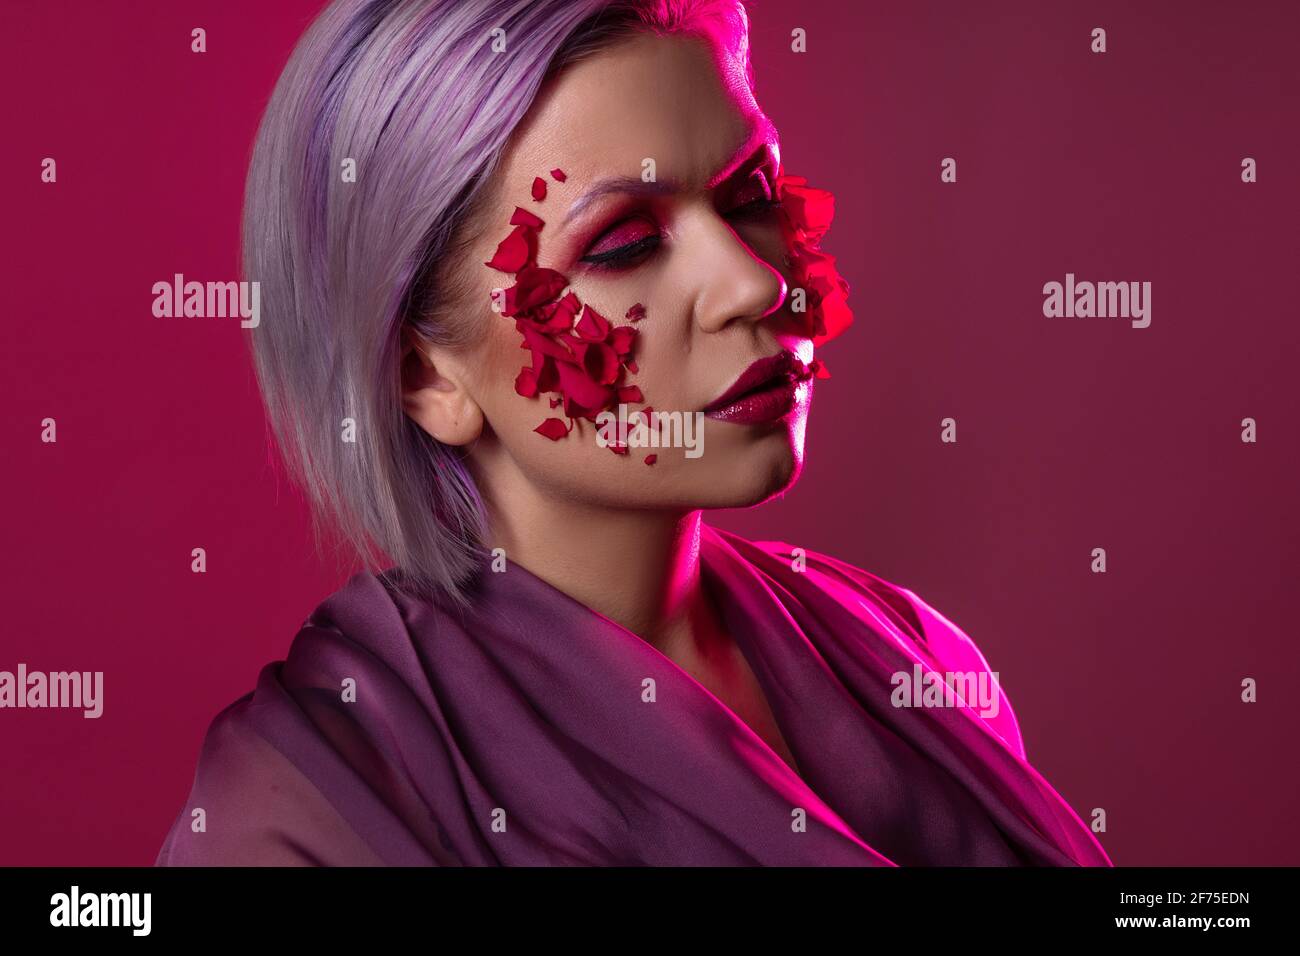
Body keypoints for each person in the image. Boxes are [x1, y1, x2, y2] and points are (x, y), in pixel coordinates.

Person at [156, 0, 1111, 866]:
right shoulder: (324, 793)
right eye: (622, 244)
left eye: (748, 198)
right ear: (426, 372)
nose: (754, 283)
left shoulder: (913, 657)